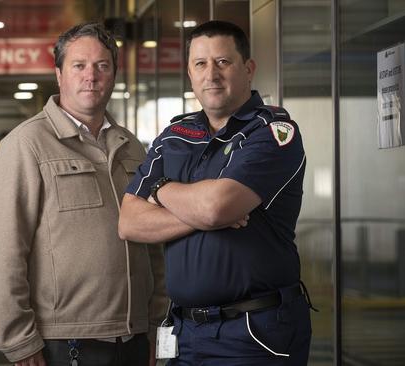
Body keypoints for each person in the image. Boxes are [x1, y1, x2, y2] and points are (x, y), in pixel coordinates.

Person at [118, 20, 313, 365]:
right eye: (200, 64)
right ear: (190, 74)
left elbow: (214, 208)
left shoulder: (273, 131)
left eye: (223, 62)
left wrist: (160, 190)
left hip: (254, 333)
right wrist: (204, 213)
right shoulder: (173, 136)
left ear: (248, 69)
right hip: (185, 333)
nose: (211, 74)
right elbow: (130, 222)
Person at [0, 22, 167, 366]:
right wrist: (19, 340)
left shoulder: (133, 148)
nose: (91, 76)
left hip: (135, 337)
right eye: (79, 65)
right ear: (59, 74)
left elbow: (154, 244)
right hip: (66, 341)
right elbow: (1, 251)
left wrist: (157, 323)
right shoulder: (26, 145)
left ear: (114, 74)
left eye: (102, 66)